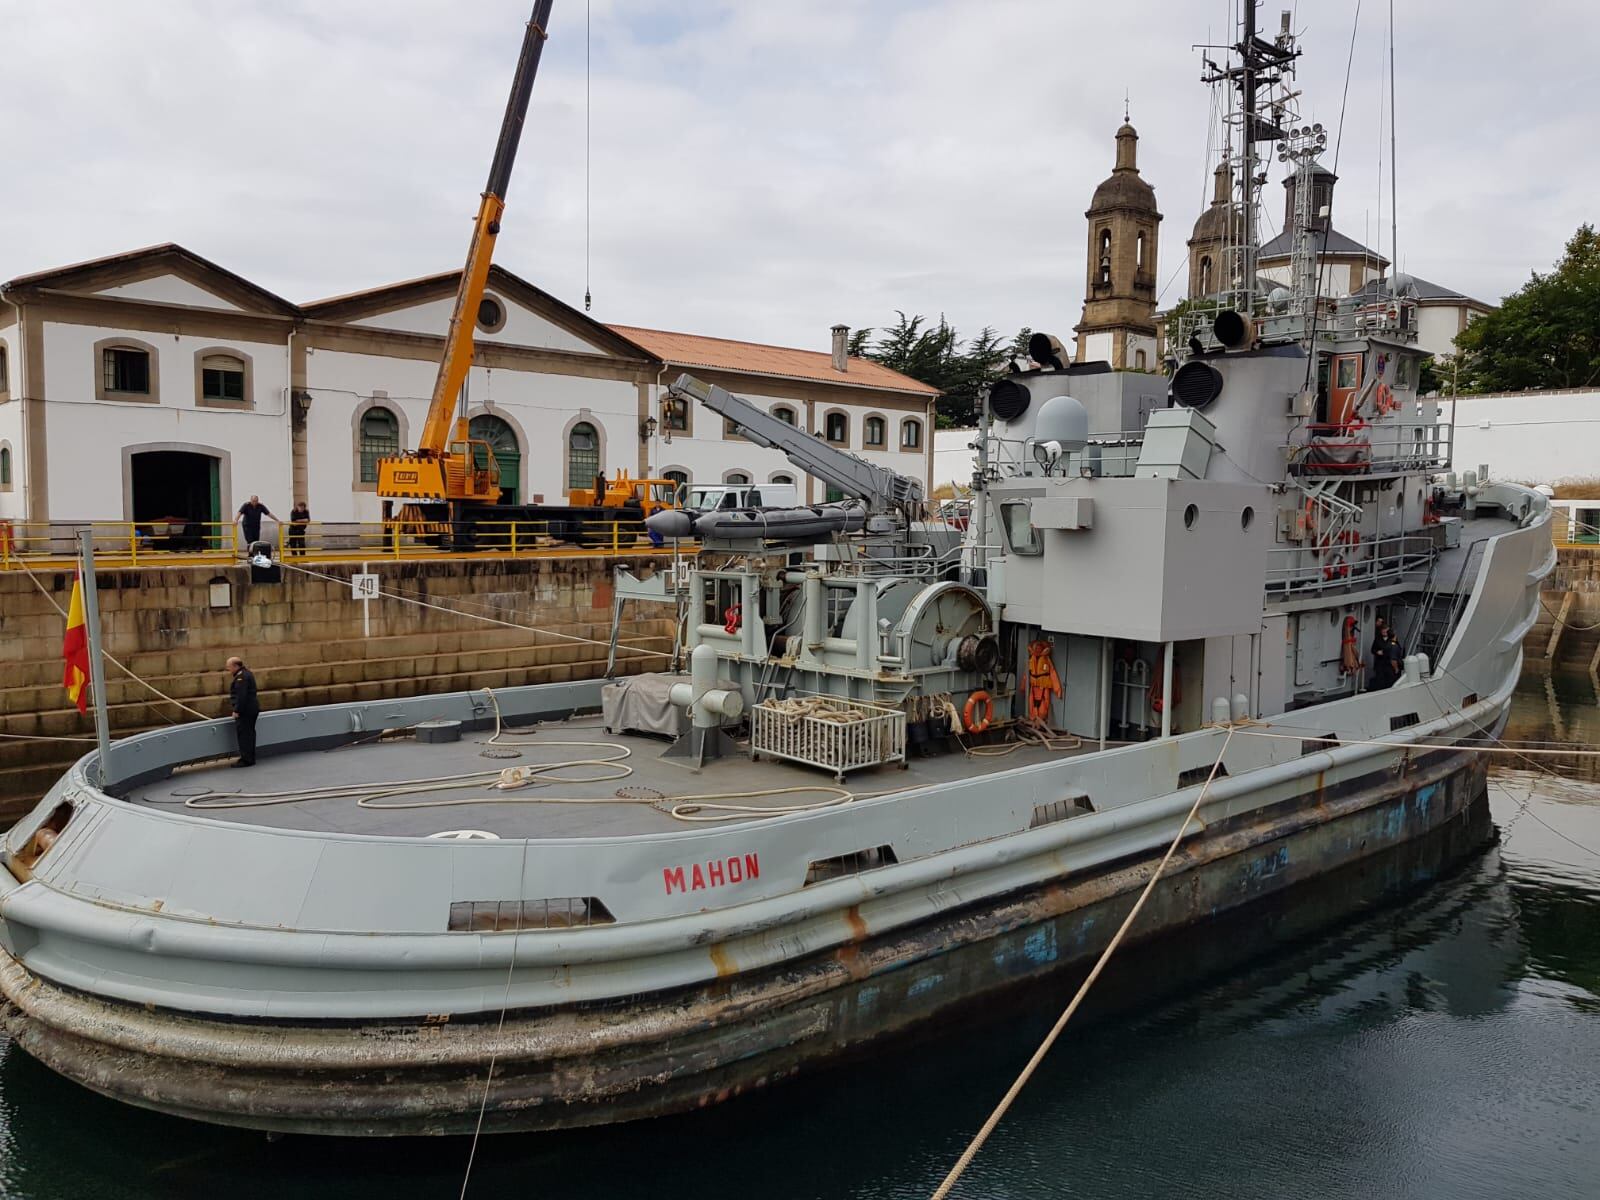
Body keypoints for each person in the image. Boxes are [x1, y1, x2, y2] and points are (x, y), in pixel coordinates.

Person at [227, 656, 260, 767]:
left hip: (245, 711)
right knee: (249, 734)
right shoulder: (247, 673)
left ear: (236, 666)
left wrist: (237, 710)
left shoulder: (241, 677)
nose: (228, 669)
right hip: (251, 709)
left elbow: (241, 696)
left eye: (229, 667)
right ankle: (250, 758)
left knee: (245, 735)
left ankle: (246, 759)